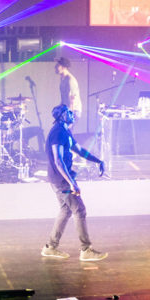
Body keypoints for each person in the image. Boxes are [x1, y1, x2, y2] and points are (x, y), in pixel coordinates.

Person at [41, 104, 108, 261]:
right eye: (68, 112)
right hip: (61, 180)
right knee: (80, 210)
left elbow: (80, 150)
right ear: (62, 116)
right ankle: (86, 250)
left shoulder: (65, 131)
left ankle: (50, 247)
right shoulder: (58, 133)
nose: (72, 114)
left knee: (66, 210)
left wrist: (98, 161)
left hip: (60, 179)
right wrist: (71, 182)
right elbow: (58, 161)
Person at [54, 57, 82, 122]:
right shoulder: (62, 79)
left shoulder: (70, 80)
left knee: (67, 131)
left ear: (63, 67)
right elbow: (64, 97)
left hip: (73, 110)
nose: (55, 67)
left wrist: (70, 117)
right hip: (67, 110)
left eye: (58, 65)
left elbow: (72, 100)